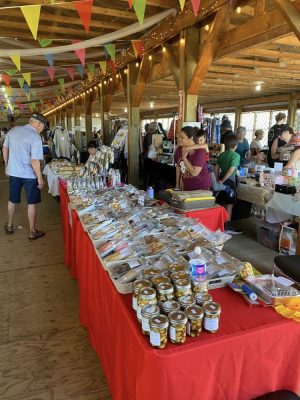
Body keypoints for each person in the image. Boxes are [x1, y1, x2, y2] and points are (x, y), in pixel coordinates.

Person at [3, 113, 47, 240]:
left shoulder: (13, 130)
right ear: (38, 124)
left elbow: (4, 149)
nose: (42, 129)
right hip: (29, 175)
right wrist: (39, 178)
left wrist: (7, 165)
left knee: (12, 200)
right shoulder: (35, 136)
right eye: (43, 126)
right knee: (31, 203)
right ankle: (32, 231)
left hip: (14, 172)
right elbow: (34, 161)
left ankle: (10, 225)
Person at [214, 134, 242, 234]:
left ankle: (219, 223)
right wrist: (223, 181)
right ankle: (228, 226)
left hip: (221, 177)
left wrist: (218, 179)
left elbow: (216, 168)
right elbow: (231, 171)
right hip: (230, 180)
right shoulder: (236, 155)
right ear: (235, 145)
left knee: (221, 202)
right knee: (229, 204)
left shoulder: (221, 154)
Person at [174, 126, 211, 191]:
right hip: (187, 186)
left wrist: (184, 158)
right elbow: (178, 166)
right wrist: (177, 184)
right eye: (179, 137)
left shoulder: (200, 151)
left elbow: (194, 172)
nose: (179, 139)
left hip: (201, 187)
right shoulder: (179, 149)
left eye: (182, 137)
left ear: (191, 138)